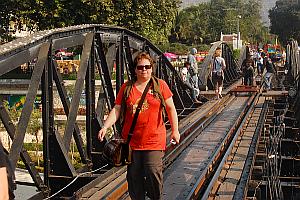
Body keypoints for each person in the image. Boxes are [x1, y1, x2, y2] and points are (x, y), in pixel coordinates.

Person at [98, 52, 180, 200]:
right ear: (135, 69)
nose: (144, 70)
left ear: (152, 68)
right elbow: (117, 109)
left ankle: (156, 197)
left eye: (147, 66)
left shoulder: (160, 85)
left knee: (152, 171)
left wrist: (175, 131)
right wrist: (105, 126)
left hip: (154, 140)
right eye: (140, 67)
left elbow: (170, 108)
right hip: (131, 142)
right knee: (134, 177)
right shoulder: (127, 88)